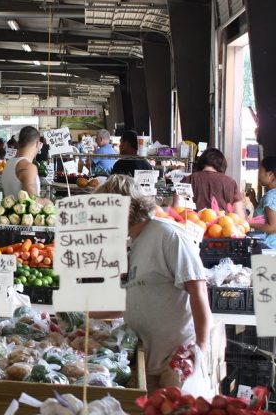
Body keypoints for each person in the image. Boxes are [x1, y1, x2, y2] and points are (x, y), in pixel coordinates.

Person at [93, 175, 211, 392]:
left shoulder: (167, 235)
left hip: (175, 365)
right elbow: (131, 300)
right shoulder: (134, 244)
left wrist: (201, 350)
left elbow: (198, 289)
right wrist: (81, 312)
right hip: (144, 363)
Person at [174, 148, 244, 218]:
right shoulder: (231, 183)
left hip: (193, 225)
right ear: (222, 165)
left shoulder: (188, 180)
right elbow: (239, 215)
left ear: (201, 163)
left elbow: (176, 209)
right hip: (221, 227)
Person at [2, 126, 45, 199]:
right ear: (37, 143)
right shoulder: (28, 167)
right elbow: (33, 202)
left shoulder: (9, 163)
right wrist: (48, 202)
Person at [249, 157, 276, 248]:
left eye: (260, 170)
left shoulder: (270, 197)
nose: (258, 175)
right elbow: (265, 215)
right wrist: (253, 201)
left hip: (269, 247)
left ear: (270, 174)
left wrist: (248, 223)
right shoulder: (272, 194)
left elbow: (273, 227)